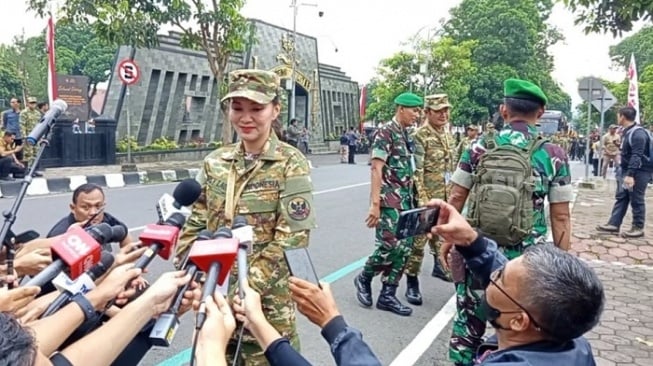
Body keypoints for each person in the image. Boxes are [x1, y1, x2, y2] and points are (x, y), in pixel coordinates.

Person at [175, 69, 316, 365]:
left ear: (275, 109)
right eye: (237, 108)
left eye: (257, 108)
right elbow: (196, 222)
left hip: (266, 304)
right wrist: (193, 274)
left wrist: (244, 286)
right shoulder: (215, 162)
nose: (246, 117)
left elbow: (292, 237)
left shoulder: (291, 163)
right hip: (214, 296)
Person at [446, 78, 573, 366]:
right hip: (528, 262)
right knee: (526, 327)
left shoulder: (478, 146)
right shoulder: (553, 154)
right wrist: (562, 264)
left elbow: (456, 196)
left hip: (475, 251)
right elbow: (561, 215)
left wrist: (450, 240)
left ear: (504, 110)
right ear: (540, 113)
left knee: (468, 321)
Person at [431, 198, 603, 365]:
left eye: (499, 278)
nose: (492, 276)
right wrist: (470, 241)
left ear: (519, 321)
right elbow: (517, 285)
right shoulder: (573, 343)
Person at [354, 92, 422, 317]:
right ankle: (364, 277)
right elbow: (376, 168)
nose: (417, 114)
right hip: (389, 200)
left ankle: (388, 294)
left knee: (405, 248)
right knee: (389, 246)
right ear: (401, 108)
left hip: (407, 200)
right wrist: (375, 204)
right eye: (414, 110)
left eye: (419, 110)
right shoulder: (386, 132)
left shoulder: (405, 134)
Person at [404, 94, 455, 307]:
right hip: (427, 198)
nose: (443, 114)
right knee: (418, 243)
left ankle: (440, 266)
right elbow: (417, 171)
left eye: (446, 110)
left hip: (445, 196)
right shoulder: (420, 136)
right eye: (438, 111)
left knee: (443, 237)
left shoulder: (448, 135)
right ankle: (411, 281)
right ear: (427, 113)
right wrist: (424, 200)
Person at [596, 107, 653, 238]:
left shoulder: (638, 133)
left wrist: (630, 175)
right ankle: (614, 224)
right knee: (622, 197)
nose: (617, 118)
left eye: (618, 116)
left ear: (622, 116)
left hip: (639, 171)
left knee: (636, 199)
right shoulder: (627, 132)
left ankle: (638, 227)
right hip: (627, 169)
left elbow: (637, 155)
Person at [47, 183, 133, 247]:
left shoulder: (105, 220)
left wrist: (126, 263)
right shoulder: (60, 234)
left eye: (98, 206)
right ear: (73, 208)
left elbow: (124, 232)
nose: (93, 213)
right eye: (85, 207)